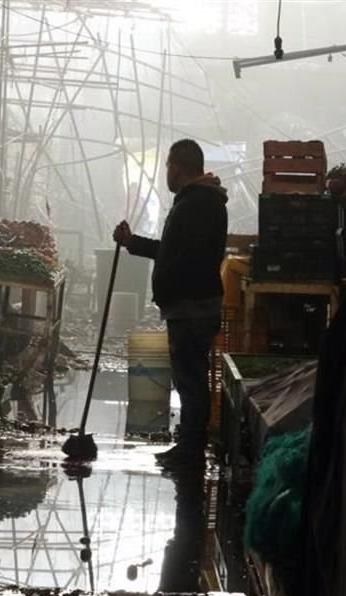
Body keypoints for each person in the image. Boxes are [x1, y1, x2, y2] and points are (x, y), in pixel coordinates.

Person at [114, 139, 228, 470]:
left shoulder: (197, 205)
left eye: (167, 165)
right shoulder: (198, 202)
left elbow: (179, 256)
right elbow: (172, 250)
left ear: (177, 166)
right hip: (191, 305)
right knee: (190, 379)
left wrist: (167, 281)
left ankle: (191, 451)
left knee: (190, 380)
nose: (166, 172)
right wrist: (132, 243)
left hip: (191, 306)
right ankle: (188, 446)